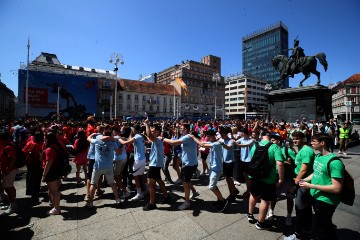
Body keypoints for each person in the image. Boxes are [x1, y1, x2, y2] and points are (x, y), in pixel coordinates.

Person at [299, 133, 344, 240]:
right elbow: (316, 173)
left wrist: (310, 185)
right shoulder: (319, 156)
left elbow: (336, 188)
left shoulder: (335, 162)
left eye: (314, 141)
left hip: (326, 201)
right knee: (326, 226)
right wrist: (303, 180)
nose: (311, 143)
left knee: (318, 232)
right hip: (317, 197)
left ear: (322, 143)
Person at [247, 131, 284, 230]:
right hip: (268, 178)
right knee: (265, 200)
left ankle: (250, 215)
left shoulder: (255, 145)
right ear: (270, 137)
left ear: (261, 136)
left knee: (253, 194)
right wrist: (281, 178)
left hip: (254, 176)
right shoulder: (275, 147)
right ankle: (260, 223)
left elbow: (251, 159)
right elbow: (280, 164)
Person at [189, 129, 228, 212]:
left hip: (217, 168)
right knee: (214, 185)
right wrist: (197, 139)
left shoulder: (217, 144)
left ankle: (223, 201)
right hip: (213, 168)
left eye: (208, 136)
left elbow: (202, 144)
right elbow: (203, 143)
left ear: (212, 136)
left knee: (211, 186)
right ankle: (219, 200)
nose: (207, 137)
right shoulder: (213, 143)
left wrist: (193, 137)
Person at [163, 123, 199, 210]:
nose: (180, 129)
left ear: (186, 129)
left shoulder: (187, 137)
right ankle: (194, 192)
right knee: (185, 180)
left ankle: (187, 203)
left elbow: (174, 143)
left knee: (185, 184)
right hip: (189, 163)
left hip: (189, 164)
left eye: (181, 128)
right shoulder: (187, 137)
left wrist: (163, 138)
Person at [85, 130, 122, 208]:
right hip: (108, 166)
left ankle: (90, 203)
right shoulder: (113, 143)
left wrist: (92, 134)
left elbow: (88, 139)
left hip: (98, 166)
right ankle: (117, 199)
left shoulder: (97, 141)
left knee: (93, 184)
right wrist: (120, 144)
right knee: (112, 183)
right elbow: (119, 152)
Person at [289, 131, 315, 239]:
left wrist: (295, 184)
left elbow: (304, 169)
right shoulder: (301, 149)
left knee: (300, 207)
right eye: (294, 138)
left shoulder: (306, 150)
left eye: (297, 138)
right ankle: (307, 230)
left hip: (303, 182)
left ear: (303, 139)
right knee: (306, 207)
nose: (295, 140)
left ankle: (298, 234)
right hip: (302, 181)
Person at [143, 119, 170, 211]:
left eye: (153, 130)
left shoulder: (157, 139)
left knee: (151, 184)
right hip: (157, 163)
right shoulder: (156, 140)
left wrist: (146, 124)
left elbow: (149, 135)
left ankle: (152, 203)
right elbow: (149, 138)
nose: (152, 131)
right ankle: (166, 196)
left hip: (154, 164)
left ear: (158, 132)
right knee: (159, 180)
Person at [118, 124, 148, 201]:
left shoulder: (137, 137)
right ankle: (147, 189)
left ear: (134, 129)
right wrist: (131, 134)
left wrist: (119, 138)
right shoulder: (140, 136)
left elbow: (126, 143)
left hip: (138, 159)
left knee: (136, 176)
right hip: (142, 158)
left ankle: (139, 194)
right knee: (141, 174)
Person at [41, 132, 65, 215]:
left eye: (45, 138)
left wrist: (44, 176)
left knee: (54, 191)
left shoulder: (49, 149)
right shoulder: (58, 145)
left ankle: (56, 208)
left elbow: (49, 163)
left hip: (51, 171)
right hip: (58, 170)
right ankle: (53, 204)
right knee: (53, 190)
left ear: (47, 139)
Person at [218, 126, 239, 202]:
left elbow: (228, 147)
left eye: (222, 134)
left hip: (230, 162)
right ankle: (234, 190)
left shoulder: (231, 141)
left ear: (227, 134)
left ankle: (232, 194)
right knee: (228, 178)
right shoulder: (222, 139)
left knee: (228, 178)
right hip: (224, 161)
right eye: (221, 134)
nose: (221, 136)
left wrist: (222, 144)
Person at [0, 131, 18, 216]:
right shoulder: (8, 145)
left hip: (9, 170)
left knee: (8, 187)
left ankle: (13, 205)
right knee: (10, 186)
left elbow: (13, 159)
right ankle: (12, 203)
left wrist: (8, 169)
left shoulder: (8, 147)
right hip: (8, 170)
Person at [22, 131, 44, 199]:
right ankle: (35, 192)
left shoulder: (29, 142)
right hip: (36, 162)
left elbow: (23, 151)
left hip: (29, 162)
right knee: (37, 178)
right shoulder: (38, 144)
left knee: (30, 176)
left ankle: (29, 190)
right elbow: (39, 155)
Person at [235, 128, 255, 198]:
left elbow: (245, 145)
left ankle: (251, 190)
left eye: (241, 132)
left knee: (250, 177)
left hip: (249, 160)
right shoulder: (241, 139)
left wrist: (236, 143)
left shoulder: (251, 140)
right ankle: (248, 190)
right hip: (242, 160)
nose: (240, 133)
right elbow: (235, 142)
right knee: (245, 176)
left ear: (244, 133)